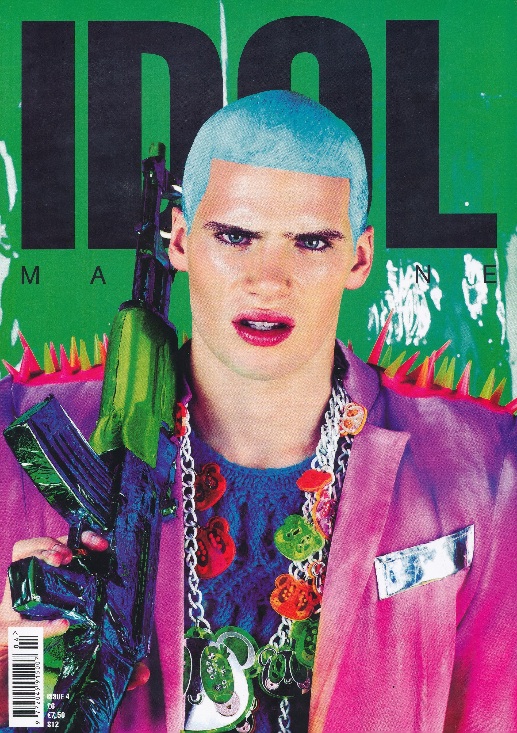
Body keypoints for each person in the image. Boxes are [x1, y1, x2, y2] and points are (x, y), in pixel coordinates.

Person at [0, 90, 516, 733]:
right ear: (180, 240)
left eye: (311, 242)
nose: (269, 280)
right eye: (236, 236)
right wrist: (19, 663)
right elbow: (21, 695)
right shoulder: (14, 443)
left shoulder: (487, 467)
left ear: (359, 258)